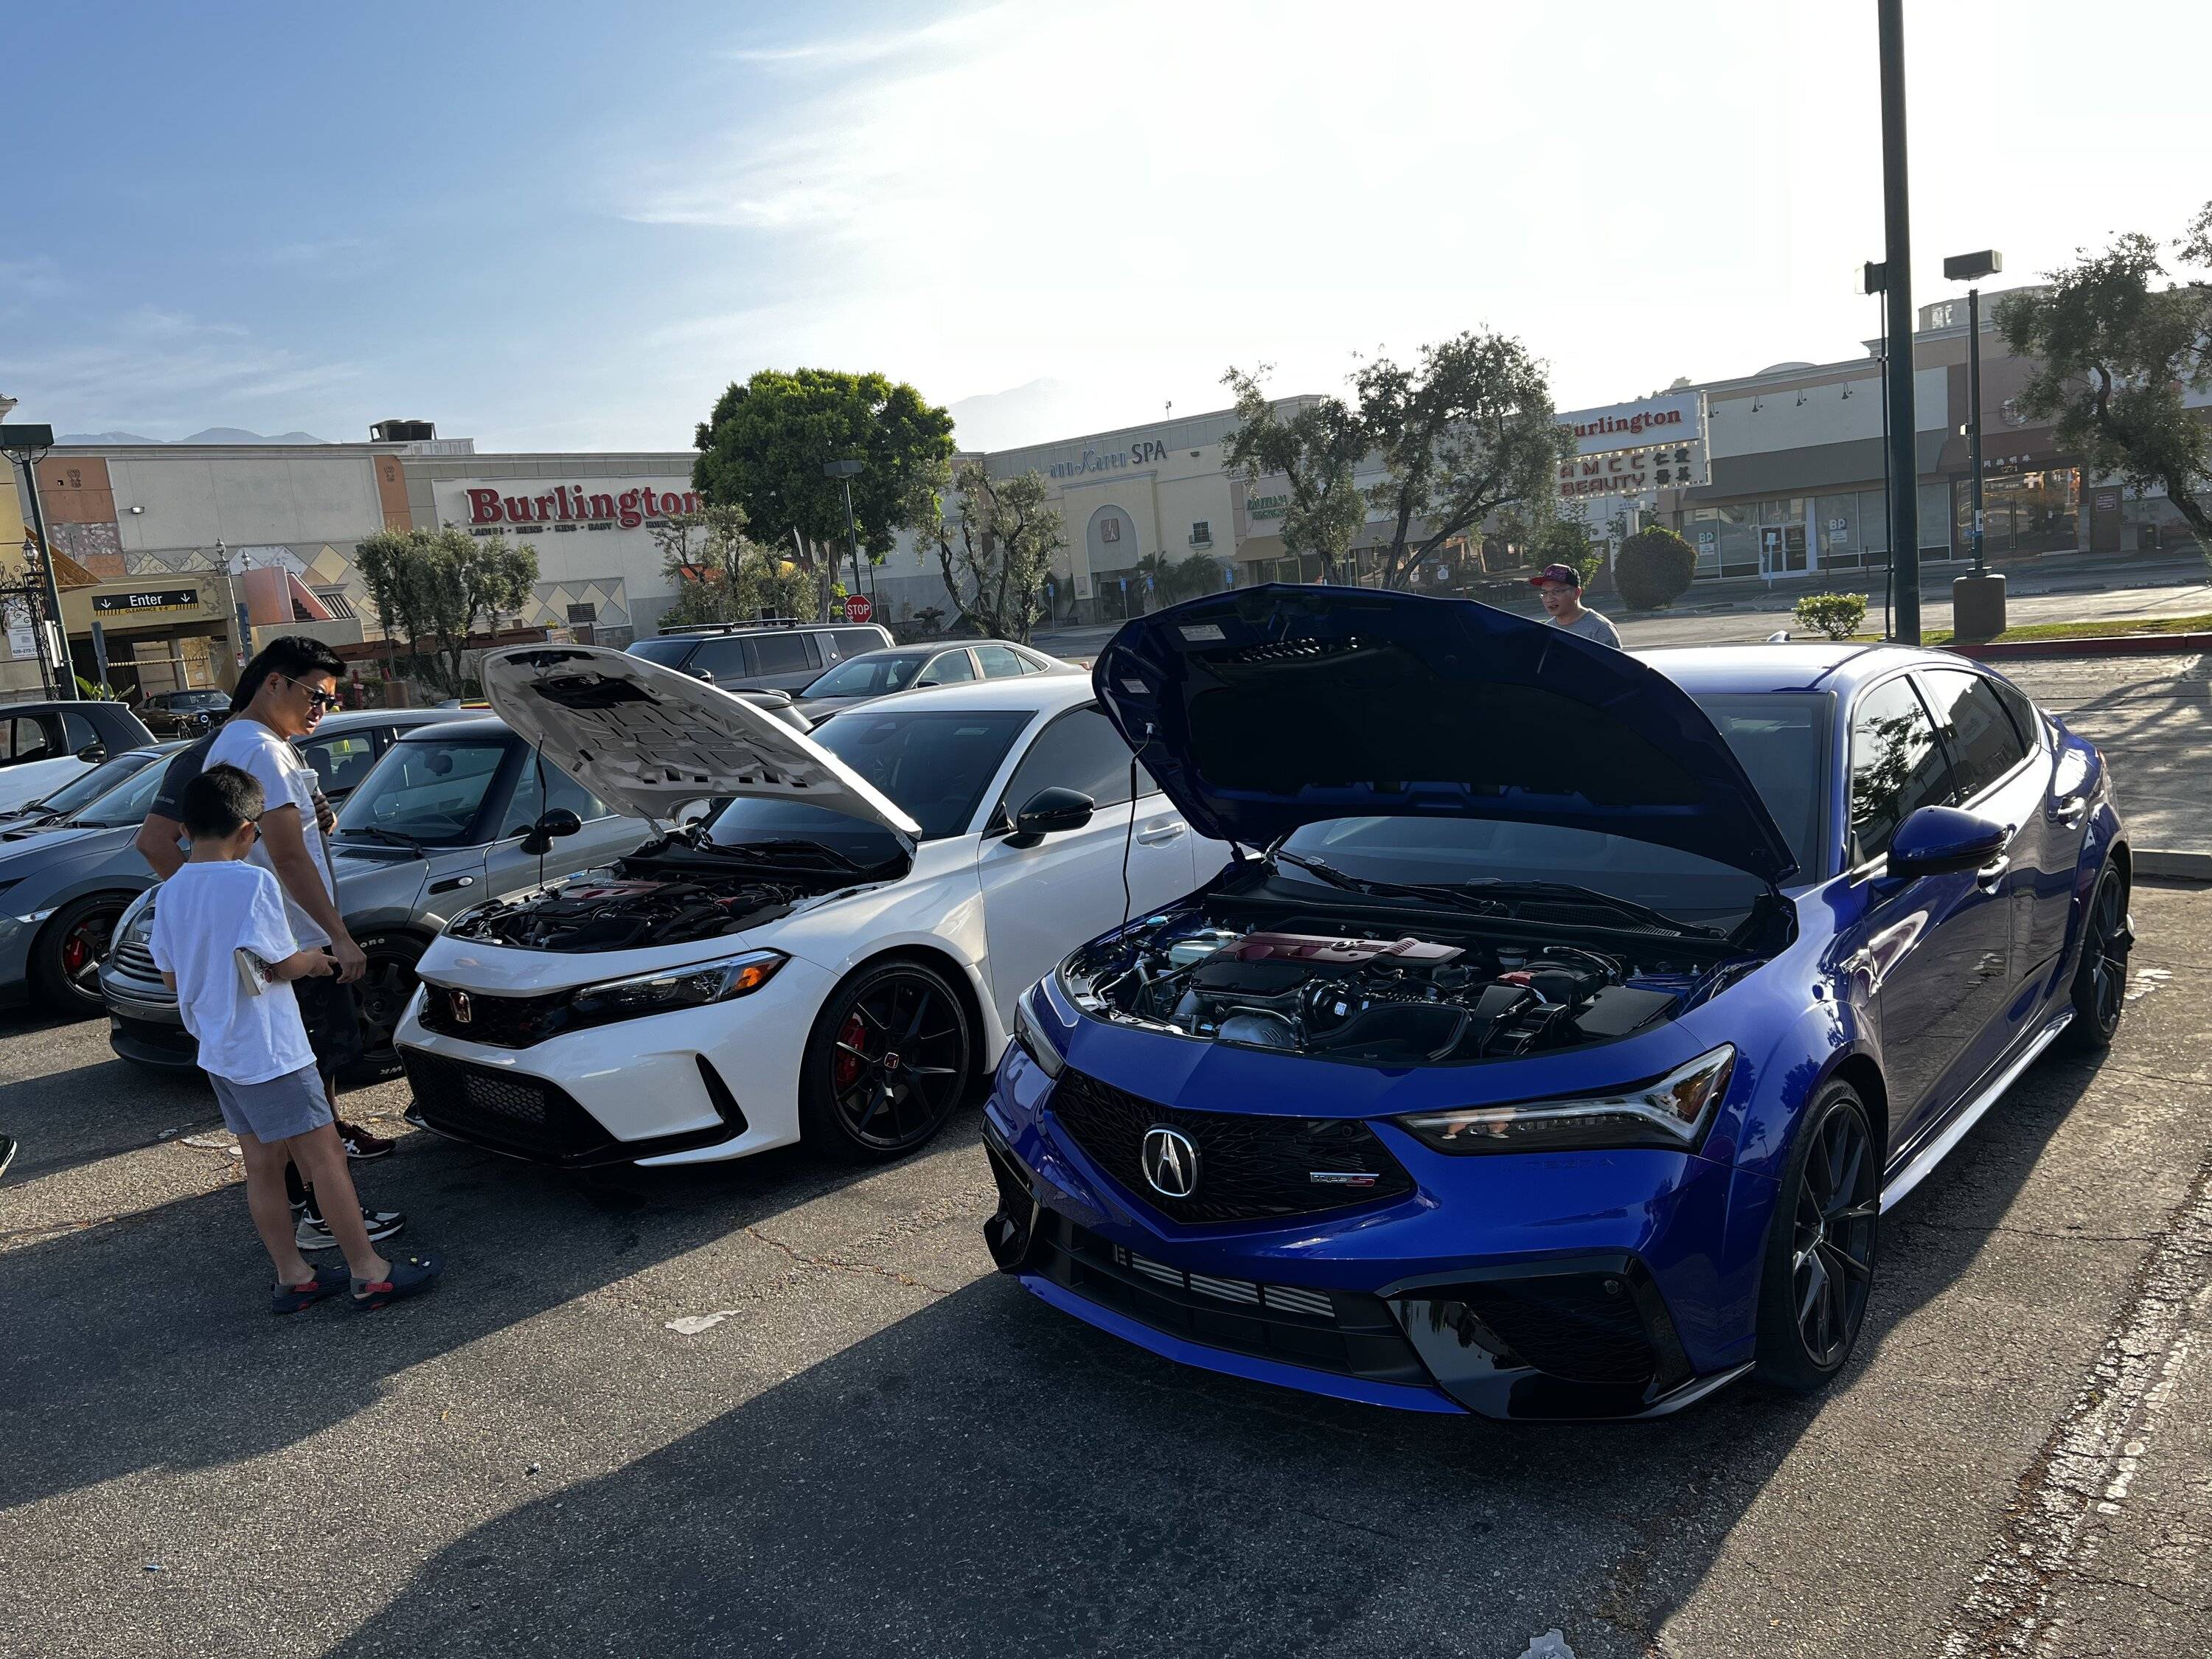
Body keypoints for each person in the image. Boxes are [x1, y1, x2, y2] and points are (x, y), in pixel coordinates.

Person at [135, 645, 400, 1248]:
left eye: (333, 700)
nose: (324, 710)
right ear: (275, 683)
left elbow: (177, 973)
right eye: (316, 696)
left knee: (270, 1136)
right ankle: (334, 1231)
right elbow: (285, 856)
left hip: (233, 1013)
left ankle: (301, 1240)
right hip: (289, 951)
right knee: (311, 1116)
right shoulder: (259, 751)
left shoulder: (233, 745)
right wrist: (335, 938)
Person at [150, 763, 439, 1314]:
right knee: (325, 1154)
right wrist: (316, 961)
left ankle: (295, 1276)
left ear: (185, 829)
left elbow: (171, 977)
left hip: (218, 1047)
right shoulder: (251, 881)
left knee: (261, 1164)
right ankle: (369, 1272)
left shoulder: (170, 893)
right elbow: (281, 962)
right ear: (247, 830)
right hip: (269, 1047)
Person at [1528, 563, 1622, 648]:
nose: (1549, 599)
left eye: (1556, 591)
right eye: (1545, 592)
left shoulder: (1599, 629)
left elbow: (1617, 665)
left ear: (1577, 593)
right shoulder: (1547, 630)